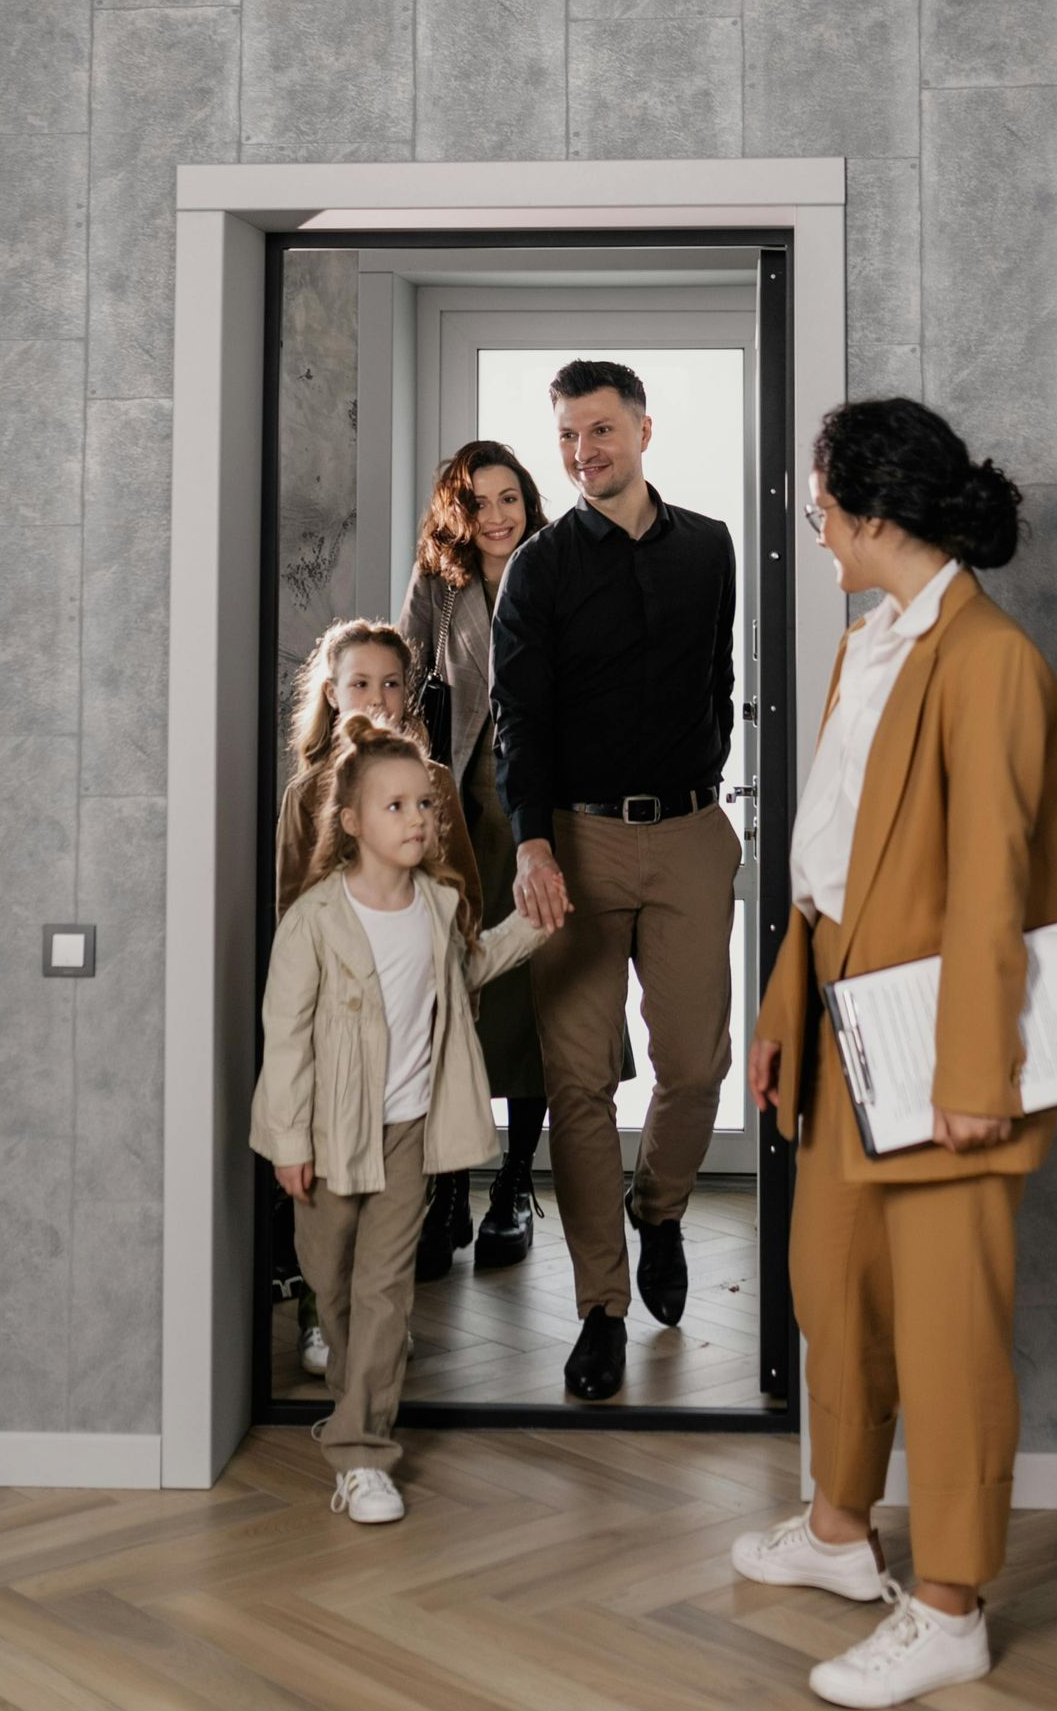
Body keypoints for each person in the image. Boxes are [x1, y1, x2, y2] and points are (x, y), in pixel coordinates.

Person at [731, 398, 1057, 1710]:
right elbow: (823, 855)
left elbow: (995, 882)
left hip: (939, 1048)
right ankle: (838, 1532)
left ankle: (951, 1604)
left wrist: (975, 1078)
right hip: (836, 1023)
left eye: (820, 503)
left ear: (871, 511)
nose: (811, 524)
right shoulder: (865, 644)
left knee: (948, 1332)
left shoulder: (994, 662)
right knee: (835, 1290)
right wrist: (777, 1008)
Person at [491, 358, 740, 1403]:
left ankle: (663, 1205)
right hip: (577, 846)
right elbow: (520, 722)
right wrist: (534, 846)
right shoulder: (538, 570)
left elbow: (722, 676)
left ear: (642, 428)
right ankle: (601, 1303)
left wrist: (706, 781)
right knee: (581, 1077)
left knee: (694, 1058)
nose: (583, 451)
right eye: (567, 436)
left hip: (689, 831)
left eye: (599, 430)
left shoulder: (713, 548)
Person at [252, 713, 556, 1524]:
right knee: (333, 1282)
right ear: (350, 821)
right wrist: (287, 1142)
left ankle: (361, 1452)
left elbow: (472, 969)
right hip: (325, 1137)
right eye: (396, 806)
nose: (417, 818)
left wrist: (532, 925)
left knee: (386, 1290)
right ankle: (355, 1396)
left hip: (408, 1129)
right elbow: (283, 1039)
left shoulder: (439, 906)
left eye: (425, 804)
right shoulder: (314, 920)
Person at [275, 618, 481, 1366]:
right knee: (333, 1194)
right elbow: (290, 908)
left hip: (417, 1024)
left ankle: (383, 1319)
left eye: (392, 682)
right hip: (339, 1031)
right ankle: (319, 1316)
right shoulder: (307, 798)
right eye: (360, 683)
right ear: (332, 695)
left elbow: (467, 900)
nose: (379, 696)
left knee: (398, 1192)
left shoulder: (438, 789)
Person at [399, 442, 554, 1277]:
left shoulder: (560, 563)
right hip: (457, 810)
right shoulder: (438, 581)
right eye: (480, 501)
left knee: (526, 998)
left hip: (536, 809)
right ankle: (450, 1192)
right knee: (452, 995)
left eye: (510, 496)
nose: (498, 514)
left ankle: (516, 1186)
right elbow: (405, 678)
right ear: (457, 511)